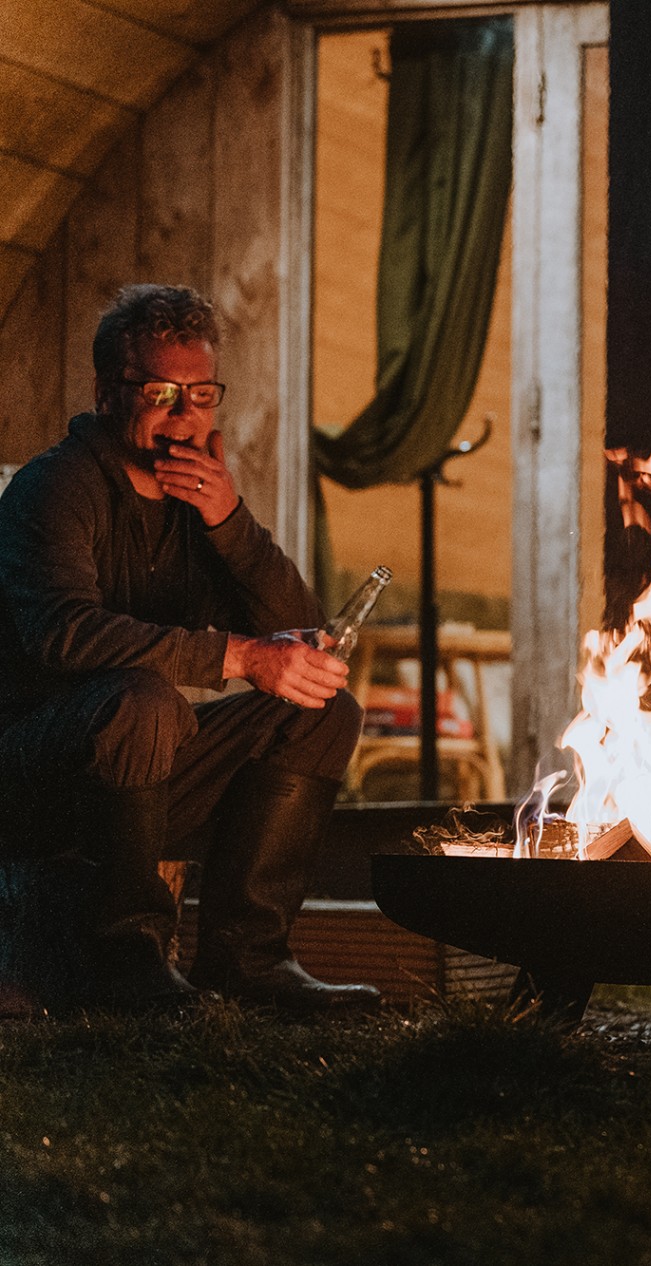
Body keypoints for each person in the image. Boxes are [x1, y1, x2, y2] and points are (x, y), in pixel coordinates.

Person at [0, 284, 379, 1013]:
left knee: (320, 709)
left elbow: (299, 632)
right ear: (109, 392)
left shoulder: (196, 506)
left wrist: (229, 519)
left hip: (135, 777)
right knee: (143, 701)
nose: (185, 414)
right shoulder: (56, 489)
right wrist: (238, 657)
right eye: (163, 392)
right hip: (32, 773)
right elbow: (64, 633)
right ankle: (125, 960)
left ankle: (248, 959)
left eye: (201, 393)